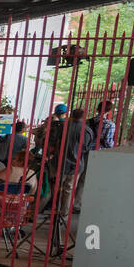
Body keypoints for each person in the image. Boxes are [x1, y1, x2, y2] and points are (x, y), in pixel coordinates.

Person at [52, 108, 95, 254]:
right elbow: (86, 148)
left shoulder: (63, 127)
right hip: (76, 165)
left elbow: (56, 143)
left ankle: (55, 210)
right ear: (84, 117)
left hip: (60, 162)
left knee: (57, 187)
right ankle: (63, 214)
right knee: (69, 189)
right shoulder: (87, 131)